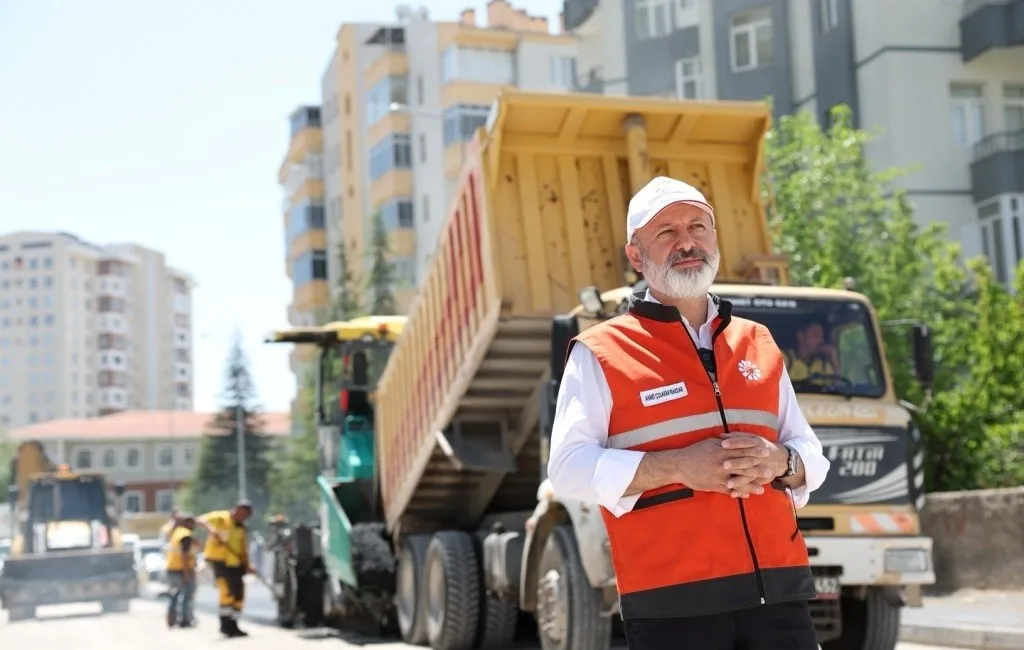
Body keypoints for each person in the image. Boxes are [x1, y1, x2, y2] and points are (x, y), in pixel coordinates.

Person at [546, 176, 831, 650]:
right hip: (673, 604)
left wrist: (782, 462)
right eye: (667, 232)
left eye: (698, 227)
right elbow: (568, 470)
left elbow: (810, 455)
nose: (687, 242)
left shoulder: (756, 340)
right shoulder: (602, 351)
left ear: (714, 240)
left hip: (780, 596)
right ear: (636, 256)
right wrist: (677, 467)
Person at [198, 500, 254, 638]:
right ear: (236, 509)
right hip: (220, 562)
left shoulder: (241, 528)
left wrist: (247, 565)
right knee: (226, 592)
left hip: (236, 564)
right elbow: (200, 520)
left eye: (245, 515)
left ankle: (234, 624)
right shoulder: (220, 517)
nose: (241, 516)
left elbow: (243, 549)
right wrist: (211, 529)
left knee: (239, 595)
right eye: (241, 512)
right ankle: (225, 625)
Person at [164, 513, 198, 628]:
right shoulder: (186, 535)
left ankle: (171, 619)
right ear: (188, 523)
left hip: (171, 568)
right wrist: (186, 573)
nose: (194, 526)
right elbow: (184, 555)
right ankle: (184, 619)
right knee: (187, 595)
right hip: (181, 570)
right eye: (192, 523)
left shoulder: (176, 532)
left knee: (174, 595)